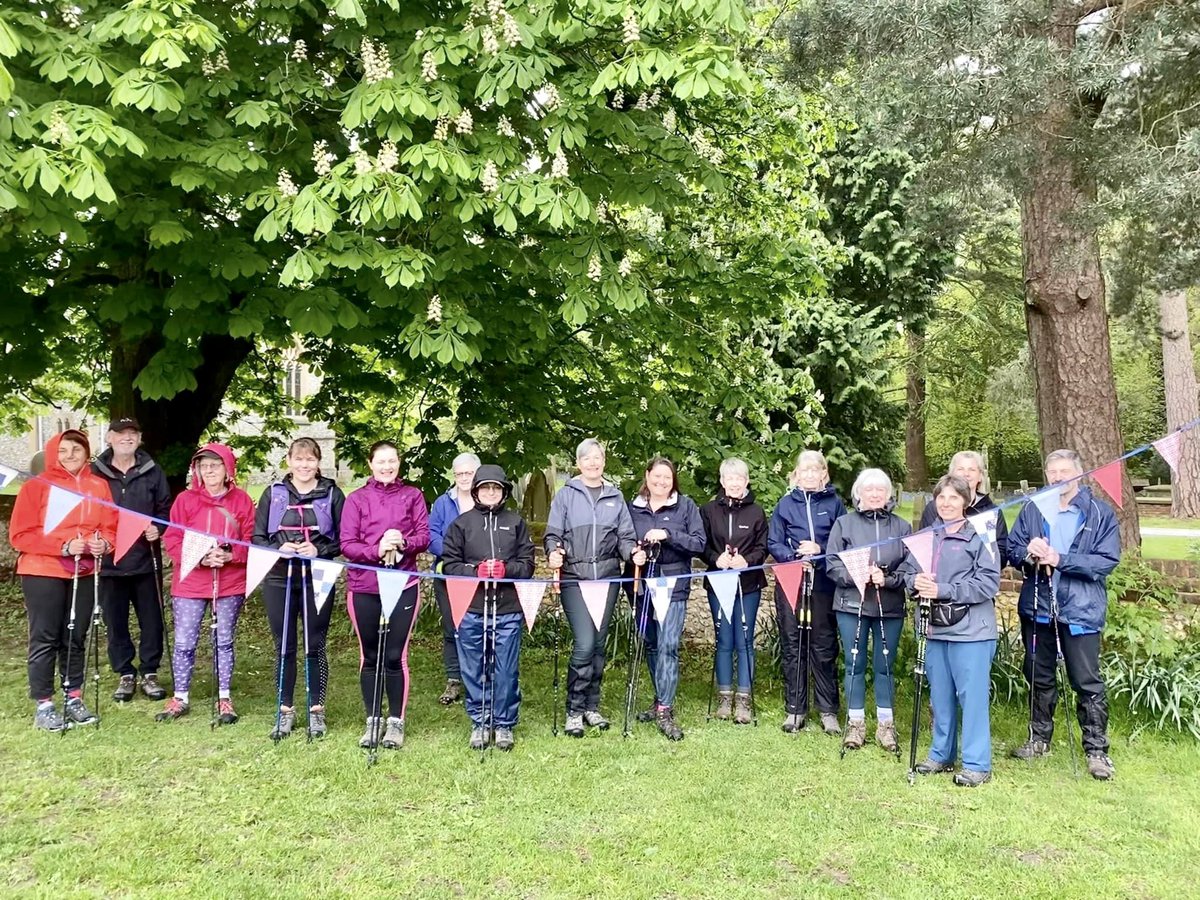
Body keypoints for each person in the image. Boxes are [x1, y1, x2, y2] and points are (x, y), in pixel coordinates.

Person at [1007, 449, 1121, 780]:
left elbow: (1106, 561)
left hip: (1080, 611)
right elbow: (1012, 550)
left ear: (1079, 473)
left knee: (1086, 681)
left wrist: (1060, 560)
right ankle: (1039, 739)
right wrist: (1028, 554)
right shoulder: (1033, 509)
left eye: (1065, 471)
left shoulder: (1099, 513)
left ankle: (1096, 750)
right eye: (1052, 472)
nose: (1058, 477)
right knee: (1038, 675)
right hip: (1038, 609)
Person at [10, 430, 118, 731]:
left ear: (87, 453)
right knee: (45, 637)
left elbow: (110, 526)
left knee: (75, 636)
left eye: (76, 449)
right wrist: (63, 546)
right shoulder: (36, 486)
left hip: (84, 571)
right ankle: (44, 704)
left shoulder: (99, 486)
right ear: (52, 453)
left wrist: (103, 544)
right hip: (43, 569)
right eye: (63, 450)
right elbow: (20, 535)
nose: (70, 456)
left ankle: (74, 697)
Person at [544, 438, 645, 738]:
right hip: (574, 577)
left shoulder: (615, 496)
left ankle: (592, 706)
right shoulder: (566, 495)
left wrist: (632, 553)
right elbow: (552, 535)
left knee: (599, 644)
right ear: (578, 463)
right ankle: (574, 710)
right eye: (586, 458)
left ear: (604, 461)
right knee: (585, 643)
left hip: (607, 578)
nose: (592, 462)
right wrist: (553, 551)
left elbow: (625, 537)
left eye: (597, 457)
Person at [906, 475, 1002, 787]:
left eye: (954, 497)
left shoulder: (981, 535)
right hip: (934, 628)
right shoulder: (925, 536)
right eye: (941, 497)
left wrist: (942, 589)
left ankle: (976, 764)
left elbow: (988, 583)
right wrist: (914, 582)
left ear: (966, 501)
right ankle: (941, 754)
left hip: (972, 631)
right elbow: (907, 573)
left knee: (971, 699)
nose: (946, 503)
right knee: (940, 695)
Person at [252, 437, 346, 739]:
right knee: (284, 644)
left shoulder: (332, 494)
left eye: (310, 459)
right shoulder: (273, 493)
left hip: (318, 574)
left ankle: (316, 709)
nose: (304, 465)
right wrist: (279, 549)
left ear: (318, 462)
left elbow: (344, 539)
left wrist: (319, 550)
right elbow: (257, 538)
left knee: (315, 643)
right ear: (289, 461)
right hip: (279, 577)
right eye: (299, 459)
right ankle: (285, 709)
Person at [340, 440, 430, 751]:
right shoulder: (356, 499)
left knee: (394, 655)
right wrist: (376, 550)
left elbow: (424, 536)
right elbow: (347, 544)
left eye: (392, 461)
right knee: (370, 655)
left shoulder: (413, 495)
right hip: (364, 586)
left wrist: (403, 542)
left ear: (399, 463)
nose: (387, 466)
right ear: (370, 464)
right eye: (381, 461)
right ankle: (373, 720)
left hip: (403, 584)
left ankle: (395, 721)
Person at [158, 444, 255, 724]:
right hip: (190, 583)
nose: (209, 470)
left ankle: (224, 697)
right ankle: (180, 697)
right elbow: (172, 539)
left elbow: (251, 540)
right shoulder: (185, 500)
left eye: (215, 465)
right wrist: (199, 558)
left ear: (228, 469)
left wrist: (231, 555)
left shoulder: (242, 501)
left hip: (229, 582)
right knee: (184, 641)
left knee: (224, 641)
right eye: (203, 466)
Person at [441, 464, 535, 751]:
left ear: (504, 492)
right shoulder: (461, 524)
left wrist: (507, 570)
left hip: (507, 610)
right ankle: (480, 721)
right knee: (473, 668)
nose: (491, 492)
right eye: (485, 487)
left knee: (506, 670)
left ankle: (504, 723)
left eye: (496, 488)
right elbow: (449, 565)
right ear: (476, 491)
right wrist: (474, 572)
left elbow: (528, 564)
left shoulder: (516, 523)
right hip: (471, 608)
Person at [825, 468, 912, 753]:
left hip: (889, 605)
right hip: (852, 604)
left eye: (880, 489)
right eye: (869, 489)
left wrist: (888, 579)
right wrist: (858, 576)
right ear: (858, 493)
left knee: (885, 665)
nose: (875, 494)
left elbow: (911, 566)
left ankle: (886, 725)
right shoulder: (844, 524)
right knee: (855, 663)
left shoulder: (902, 527)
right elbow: (832, 564)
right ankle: (856, 723)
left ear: (888, 494)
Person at [91, 417, 172, 703]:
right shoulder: (94, 473)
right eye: (121, 433)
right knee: (115, 622)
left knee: (152, 620)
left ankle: (149, 672)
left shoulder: (152, 470)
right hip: (109, 562)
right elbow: (85, 511)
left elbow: (165, 509)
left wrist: (158, 527)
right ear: (109, 437)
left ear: (139, 438)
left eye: (133, 433)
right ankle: (125, 673)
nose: (127, 438)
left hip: (145, 559)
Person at [625, 456, 706, 740]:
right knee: (651, 644)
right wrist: (632, 553)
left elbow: (699, 543)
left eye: (667, 477)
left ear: (673, 481)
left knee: (668, 646)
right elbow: (622, 539)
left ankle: (665, 709)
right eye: (656, 476)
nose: (661, 481)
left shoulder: (686, 506)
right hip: (640, 585)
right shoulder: (632, 507)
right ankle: (659, 699)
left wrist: (668, 534)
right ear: (647, 476)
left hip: (673, 584)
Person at [767, 449, 848, 735]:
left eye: (816, 469)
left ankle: (828, 710)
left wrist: (820, 550)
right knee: (793, 644)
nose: (810, 474)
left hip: (824, 582)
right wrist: (793, 557)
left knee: (823, 646)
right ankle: (795, 708)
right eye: (805, 470)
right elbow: (773, 542)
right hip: (791, 581)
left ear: (824, 473)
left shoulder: (835, 504)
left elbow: (844, 542)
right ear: (796, 475)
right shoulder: (785, 504)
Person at [700, 458, 768, 727]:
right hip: (718, 583)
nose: (735, 483)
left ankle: (743, 699)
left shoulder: (757, 512)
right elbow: (701, 544)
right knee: (724, 640)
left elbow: (763, 547)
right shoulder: (708, 510)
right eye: (730, 478)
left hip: (748, 584)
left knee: (744, 640)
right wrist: (715, 558)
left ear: (747, 481)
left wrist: (747, 560)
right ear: (722, 481)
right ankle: (724, 696)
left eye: (740, 478)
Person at [427, 452, 480, 705]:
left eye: (469, 473)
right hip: (447, 574)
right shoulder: (442, 503)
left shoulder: (487, 499)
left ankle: (479, 678)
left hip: (480, 576)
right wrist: (454, 557)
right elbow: (432, 535)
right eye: (459, 474)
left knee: (478, 628)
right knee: (452, 628)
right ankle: (454, 679)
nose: (464, 478)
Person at [917, 451, 1009, 561]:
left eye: (972, 470)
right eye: (960, 469)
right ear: (951, 474)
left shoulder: (992, 512)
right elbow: (924, 545)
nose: (966, 474)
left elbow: (1000, 553)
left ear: (980, 476)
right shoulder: (936, 507)